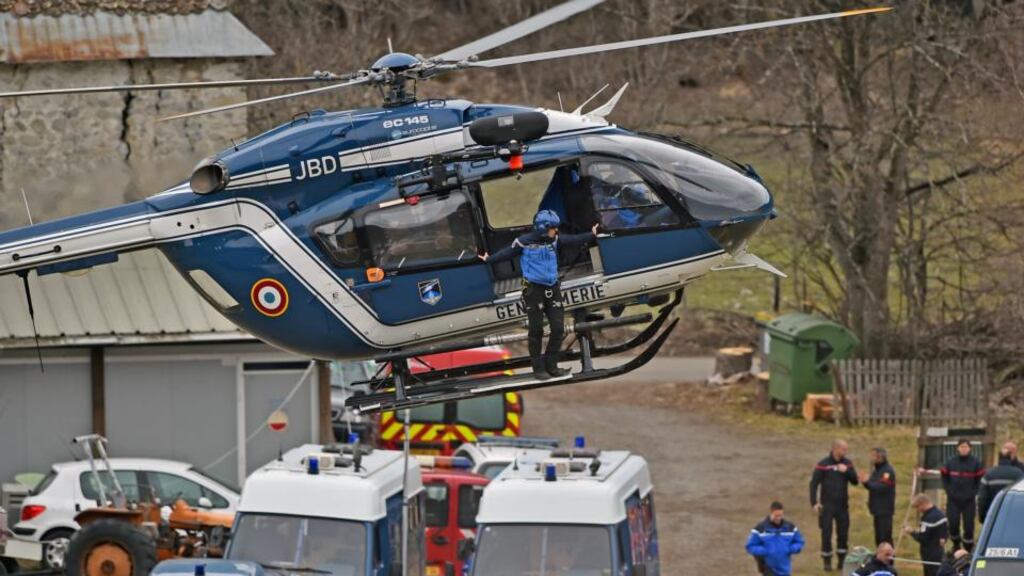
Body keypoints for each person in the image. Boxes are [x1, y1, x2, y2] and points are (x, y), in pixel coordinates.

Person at [481, 210, 598, 378]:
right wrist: (488, 259)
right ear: (543, 228)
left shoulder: (555, 239)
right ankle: (538, 368)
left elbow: (573, 240)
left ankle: (552, 365)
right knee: (536, 330)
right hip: (533, 291)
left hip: (553, 288)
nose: (556, 231)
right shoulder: (523, 242)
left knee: (558, 329)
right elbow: (505, 254)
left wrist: (591, 235)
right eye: (553, 228)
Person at [810, 439, 859, 572]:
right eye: (843, 449)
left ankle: (841, 561)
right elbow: (814, 484)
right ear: (835, 449)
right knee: (826, 533)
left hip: (842, 505)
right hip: (827, 506)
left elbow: (855, 481)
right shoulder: (823, 464)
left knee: (843, 533)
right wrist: (814, 502)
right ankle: (827, 561)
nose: (845, 452)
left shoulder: (847, 463)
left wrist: (847, 472)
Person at [939, 439, 984, 551]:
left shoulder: (976, 462)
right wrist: (948, 490)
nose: (964, 449)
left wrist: (974, 492)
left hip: (969, 501)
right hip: (953, 500)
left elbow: (980, 479)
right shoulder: (951, 462)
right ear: (957, 448)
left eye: (966, 447)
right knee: (953, 523)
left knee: (969, 526)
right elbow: (944, 475)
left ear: (970, 448)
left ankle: (968, 547)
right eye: (962, 447)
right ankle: (956, 545)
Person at [745, 501, 804, 576]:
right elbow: (750, 546)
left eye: (781, 515)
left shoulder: (790, 528)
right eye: (776, 516)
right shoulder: (760, 529)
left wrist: (791, 549)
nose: (779, 518)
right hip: (768, 569)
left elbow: (799, 542)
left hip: (785, 570)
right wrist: (765, 551)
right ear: (771, 513)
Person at [859, 447, 897, 546]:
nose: (871, 458)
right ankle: (881, 558)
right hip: (877, 509)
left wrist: (867, 482)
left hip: (884, 509)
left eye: (873, 456)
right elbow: (872, 486)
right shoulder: (876, 470)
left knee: (885, 538)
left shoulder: (887, 471)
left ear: (880, 457)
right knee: (879, 538)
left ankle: (889, 559)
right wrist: (865, 483)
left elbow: (882, 487)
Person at [977, 446, 1024, 522]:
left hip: (994, 514)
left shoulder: (989, 474)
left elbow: (982, 498)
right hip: (1014, 514)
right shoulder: (1019, 474)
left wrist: (982, 517)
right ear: (1010, 458)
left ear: (998, 458)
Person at [905, 494, 949, 576]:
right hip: (939, 551)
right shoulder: (941, 514)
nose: (918, 510)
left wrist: (911, 531)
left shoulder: (928, 518)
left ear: (923, 503)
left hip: (929, 553)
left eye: (917, 507)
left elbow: (923, 538)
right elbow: (945, 532)